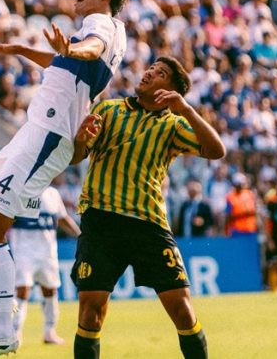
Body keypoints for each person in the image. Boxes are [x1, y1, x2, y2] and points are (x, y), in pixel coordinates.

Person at [0, 0, 129, 359]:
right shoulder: (90, 32)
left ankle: (2, 328)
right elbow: (66, 61)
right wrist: (16, 50)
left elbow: (89, 49)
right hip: (33, 129)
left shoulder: (101, 24)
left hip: (49, 134)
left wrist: (72, 48)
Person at [70, 57, 225, 359]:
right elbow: (77, 156)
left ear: (171, 90)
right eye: (152, 68)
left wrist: (187, 110)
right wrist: (80, 140)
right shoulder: (107, 109)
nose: (151, 72)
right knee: (90, 312)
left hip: (148, 224)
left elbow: (216, 150)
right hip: (101, 222)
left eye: (161, 73)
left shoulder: (173, 125)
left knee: (181, 309)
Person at [10, 186, 81, 345]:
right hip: (23, 251)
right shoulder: (20, 189)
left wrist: (80, 235)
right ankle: (14, 333)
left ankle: (50, 332)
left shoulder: (52, 193)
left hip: (47, 252)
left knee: (50, 290)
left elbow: (62, 218)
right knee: (22, 290)